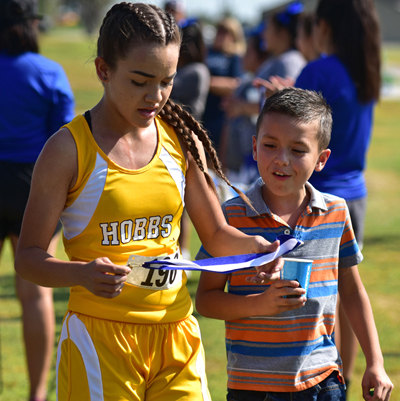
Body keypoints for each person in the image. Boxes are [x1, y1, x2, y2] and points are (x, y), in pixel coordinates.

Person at [14, 3, 282, 400]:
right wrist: (81, 273)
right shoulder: (67, 150)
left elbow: (216, 234)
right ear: (104, 70)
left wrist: (258, 250)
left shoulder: (181, 141)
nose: (155, 96)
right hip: (100, 339)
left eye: (166, 81)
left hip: (176, 336)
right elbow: (29, 257)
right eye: (140, 81)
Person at [196, 87, 393, 401]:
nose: (281, 159)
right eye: (270, 145)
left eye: (298, 150)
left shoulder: (336, 212)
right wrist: (258, 305)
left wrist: (376, 362)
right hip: (253, 388)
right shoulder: (230, 219)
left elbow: (353, 293)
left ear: (321, 159)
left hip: (323, 382)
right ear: (255, 148)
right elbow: (205, 299)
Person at [255, 0, 382, 392]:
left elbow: (298, 123)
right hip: (353, 195)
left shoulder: (321, 69)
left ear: (324, 26)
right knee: (342, 294)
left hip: (316, 200)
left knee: (310, 305)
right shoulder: (368, 71)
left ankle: (317, 380)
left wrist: (280, 96)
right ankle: (341, 382)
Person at [0, 1, 75, 400]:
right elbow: (63, 140)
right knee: (35, 293)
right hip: (34, 184)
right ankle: (37, 393)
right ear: (30, 26)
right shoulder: (49, 72)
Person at [202, 16, 246, 156]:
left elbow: (236, 84)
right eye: (219, 30)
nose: (221, 35)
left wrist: (206, 82)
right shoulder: (207, 51)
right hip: (202, 111)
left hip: (221, 116)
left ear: (234, 35)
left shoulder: (235, 57)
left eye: (226, 31)